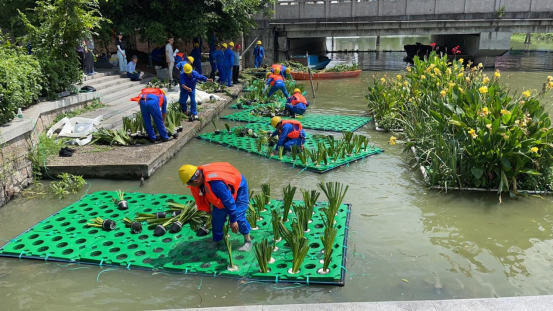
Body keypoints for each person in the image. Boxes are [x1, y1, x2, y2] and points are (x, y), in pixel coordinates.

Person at [178, 162, 252, 251]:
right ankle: (217, 239)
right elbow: (206, 194)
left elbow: (229, 201)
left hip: (239, 187)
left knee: (238, 217)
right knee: (217, 218)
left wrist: (233, 220)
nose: (190, 186)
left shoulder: (216, 184)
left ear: (195, 181)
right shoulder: (200, 176)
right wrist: (208, 208)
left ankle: (247, 241)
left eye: (189, 184)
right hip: (225, 191)